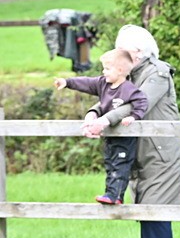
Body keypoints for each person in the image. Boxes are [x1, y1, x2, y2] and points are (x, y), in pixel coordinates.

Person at [90, 25, 180, 238]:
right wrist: (94, 112)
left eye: (121, 50)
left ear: (137, 52)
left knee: (156, 214)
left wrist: (105, 120)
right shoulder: (131, 74)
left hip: (162, 157)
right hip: (144, 156)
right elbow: (111, 97)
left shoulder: (158, 73)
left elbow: (135, 103)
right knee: (148, 216)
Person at [55, 49, 148, 205]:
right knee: (110, 163)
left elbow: (142, 102)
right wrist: (67, 82)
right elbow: (86, 82)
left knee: (120, 163)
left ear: (119, 70)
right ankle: (111, 194)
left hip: (125, 137)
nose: (103, 72)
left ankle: (115, 195)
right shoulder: (103, 84)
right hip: (110, 136)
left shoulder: (128, 89)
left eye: (107, 68)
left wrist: (134, 117)